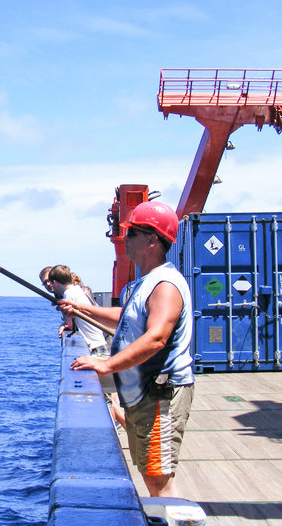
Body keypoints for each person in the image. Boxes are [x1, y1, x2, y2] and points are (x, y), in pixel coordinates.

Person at [58, 201, 194, 498]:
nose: (125, 238)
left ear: (152, 239)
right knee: (151, 474)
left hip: (160, 395)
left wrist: (108, 364)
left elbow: (157, 337)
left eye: (131, 232)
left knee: (159, 479)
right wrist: (82, 309)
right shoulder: (146, 283)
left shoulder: (166, 285)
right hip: (143, 391)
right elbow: (127, 316)